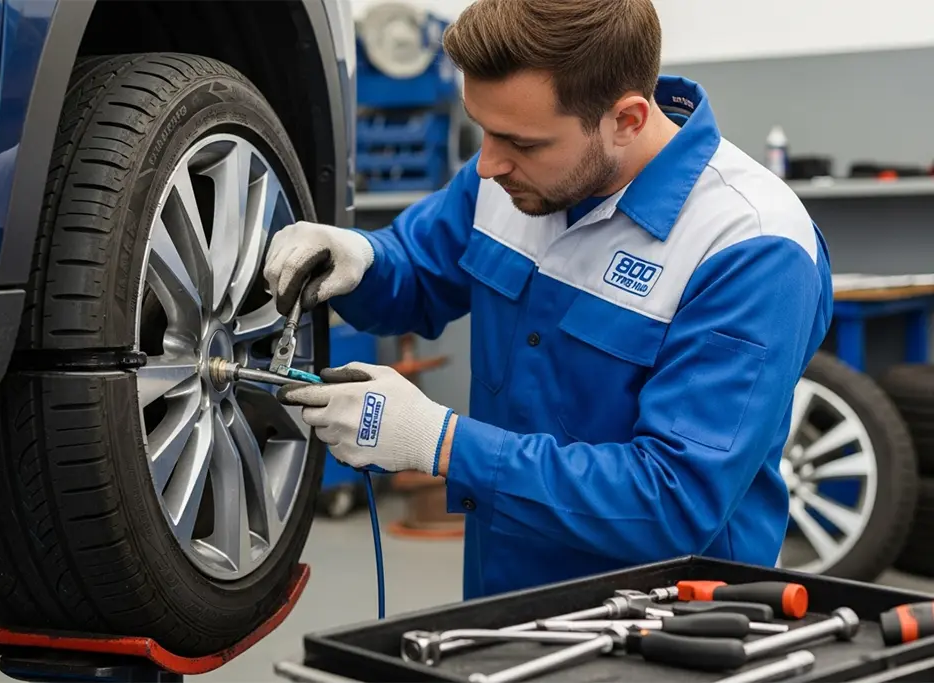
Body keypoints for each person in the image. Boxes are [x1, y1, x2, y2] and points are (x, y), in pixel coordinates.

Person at [264, 0, 834, 600]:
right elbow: (418, 272)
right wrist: (360, 260)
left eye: (520, 142)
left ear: (627, 120)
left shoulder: (750, 246)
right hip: (501, 603)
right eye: (480, 128)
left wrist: (443, 444)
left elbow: (675, 501)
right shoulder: (511, 180)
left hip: (671, 630)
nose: (486, 163)